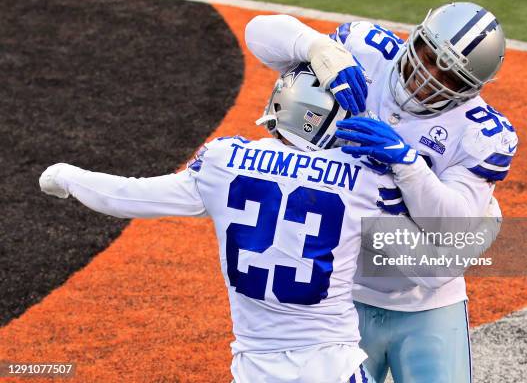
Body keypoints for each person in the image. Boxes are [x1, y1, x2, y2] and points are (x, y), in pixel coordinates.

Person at [40, 65, 406, 383]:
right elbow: (427, 260)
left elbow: (125, 197)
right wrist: (409, 167)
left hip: (255, 367)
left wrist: (66, 175)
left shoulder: (225, 161)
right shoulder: (366, 179)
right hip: (333, 366)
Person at [245, 2, 518, 382]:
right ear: (416, 38)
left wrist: (407, 166)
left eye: (451, 76)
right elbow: (258, 31)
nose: (430, 77)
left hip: (425, 304)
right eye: (429, 56)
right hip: (336, 292)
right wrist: (315, 47)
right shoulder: (366, 50)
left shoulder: (480, 132)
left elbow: (451, 234)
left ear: (471, 89)